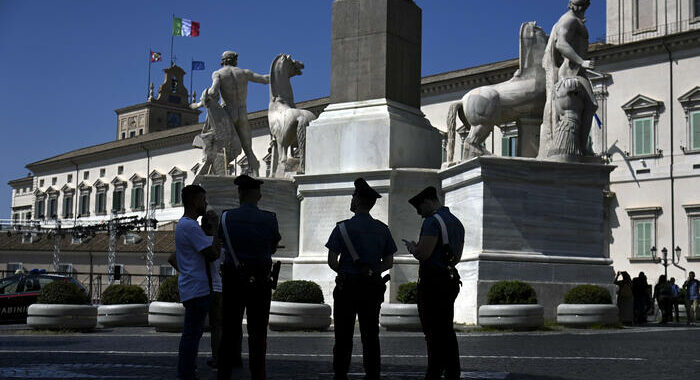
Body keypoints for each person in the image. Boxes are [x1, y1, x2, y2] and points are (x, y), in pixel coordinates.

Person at [325, 178, 397, 380]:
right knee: (371, 334)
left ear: (357, 200)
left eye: (353, 196)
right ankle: (372, 373)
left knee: (343, 334)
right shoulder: (382, 229)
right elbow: (389, 262)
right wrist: (373, 271)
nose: (351, 199)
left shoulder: (342, 228)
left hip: (347, 286)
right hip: (372, 288)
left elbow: (332, 261)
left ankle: (340, 373)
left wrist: (346, 270)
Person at [217, 175, 281, 380]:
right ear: (258, 195)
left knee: (229, 329)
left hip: (233, 278)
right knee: (258, 332)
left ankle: (224, 373)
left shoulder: (226, 218)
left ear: (240, 194)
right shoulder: (270, 218)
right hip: (261, 279)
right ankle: (258, 374)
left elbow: (221, 244)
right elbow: (272, 247)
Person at [404, 186, 464, 380]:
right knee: (446, 328)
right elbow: (456, 257)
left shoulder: (432, 222)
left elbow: (424, 253)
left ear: (428, 202)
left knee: (432, 331)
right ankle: (453, 371)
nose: (420, 214)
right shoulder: (456, 222)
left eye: (419, 209)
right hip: (450, 279)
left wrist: (413, 248)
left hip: (433, 283)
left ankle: (434, 372)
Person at [538, 0, 597, 158]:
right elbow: (561, 44)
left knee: (591, 105)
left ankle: (582, 147)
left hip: (576, 70)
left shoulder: (574, 20)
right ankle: (581, 148)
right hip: (570, 72)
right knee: (591, 105)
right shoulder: (568, 20)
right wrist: (581, 61)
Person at [168, 208, 225, 370]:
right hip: (212, 285)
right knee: (214, 326)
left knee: (197, 328)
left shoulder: (199, 237)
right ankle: (216, 358)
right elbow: (216, 257)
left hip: (207, 285)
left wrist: (187, 271)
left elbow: (172, 258)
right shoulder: (213, 240)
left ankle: (195, 362)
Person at [175, 185, 220, 380]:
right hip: (197, 288)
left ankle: (187, 371)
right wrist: (216, 230)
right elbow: (211, 254)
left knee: (193, 334)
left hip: (194, 286)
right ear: (194, 201)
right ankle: (186, 373)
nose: (206, 203)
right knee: (192, 335)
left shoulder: (187, 225)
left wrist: (205, 227)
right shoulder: (189, 226)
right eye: (203, 199)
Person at [202, 51, 270, 176]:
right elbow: (265, 79)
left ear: (223, 61)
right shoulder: (244, 73)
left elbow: (213, 91)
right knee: (248, 150)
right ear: (235, 60)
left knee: (221, 148)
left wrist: (202, 101)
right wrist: (281, 75)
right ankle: (256, 176)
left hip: (228, 114)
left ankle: (217, 172)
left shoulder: (218, 74)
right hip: (243, 114)